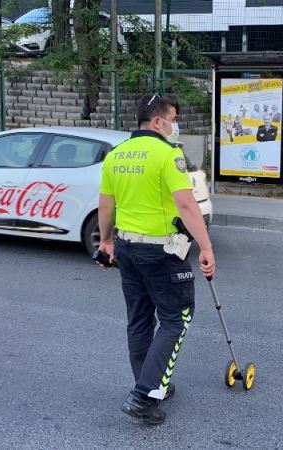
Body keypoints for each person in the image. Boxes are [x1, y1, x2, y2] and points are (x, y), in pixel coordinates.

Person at [96, 93, 216, 425]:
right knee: (177, 319)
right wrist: (206, 247)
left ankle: (149, 381)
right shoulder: (167, 154)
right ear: (158, 121)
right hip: (161, 252)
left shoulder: (116, 155)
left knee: (139, 320)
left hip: (127, 248)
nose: (176, 126)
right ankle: (144, 394)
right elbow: (187, 205)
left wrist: (106, 241)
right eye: (174, 119)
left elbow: (105, 206)